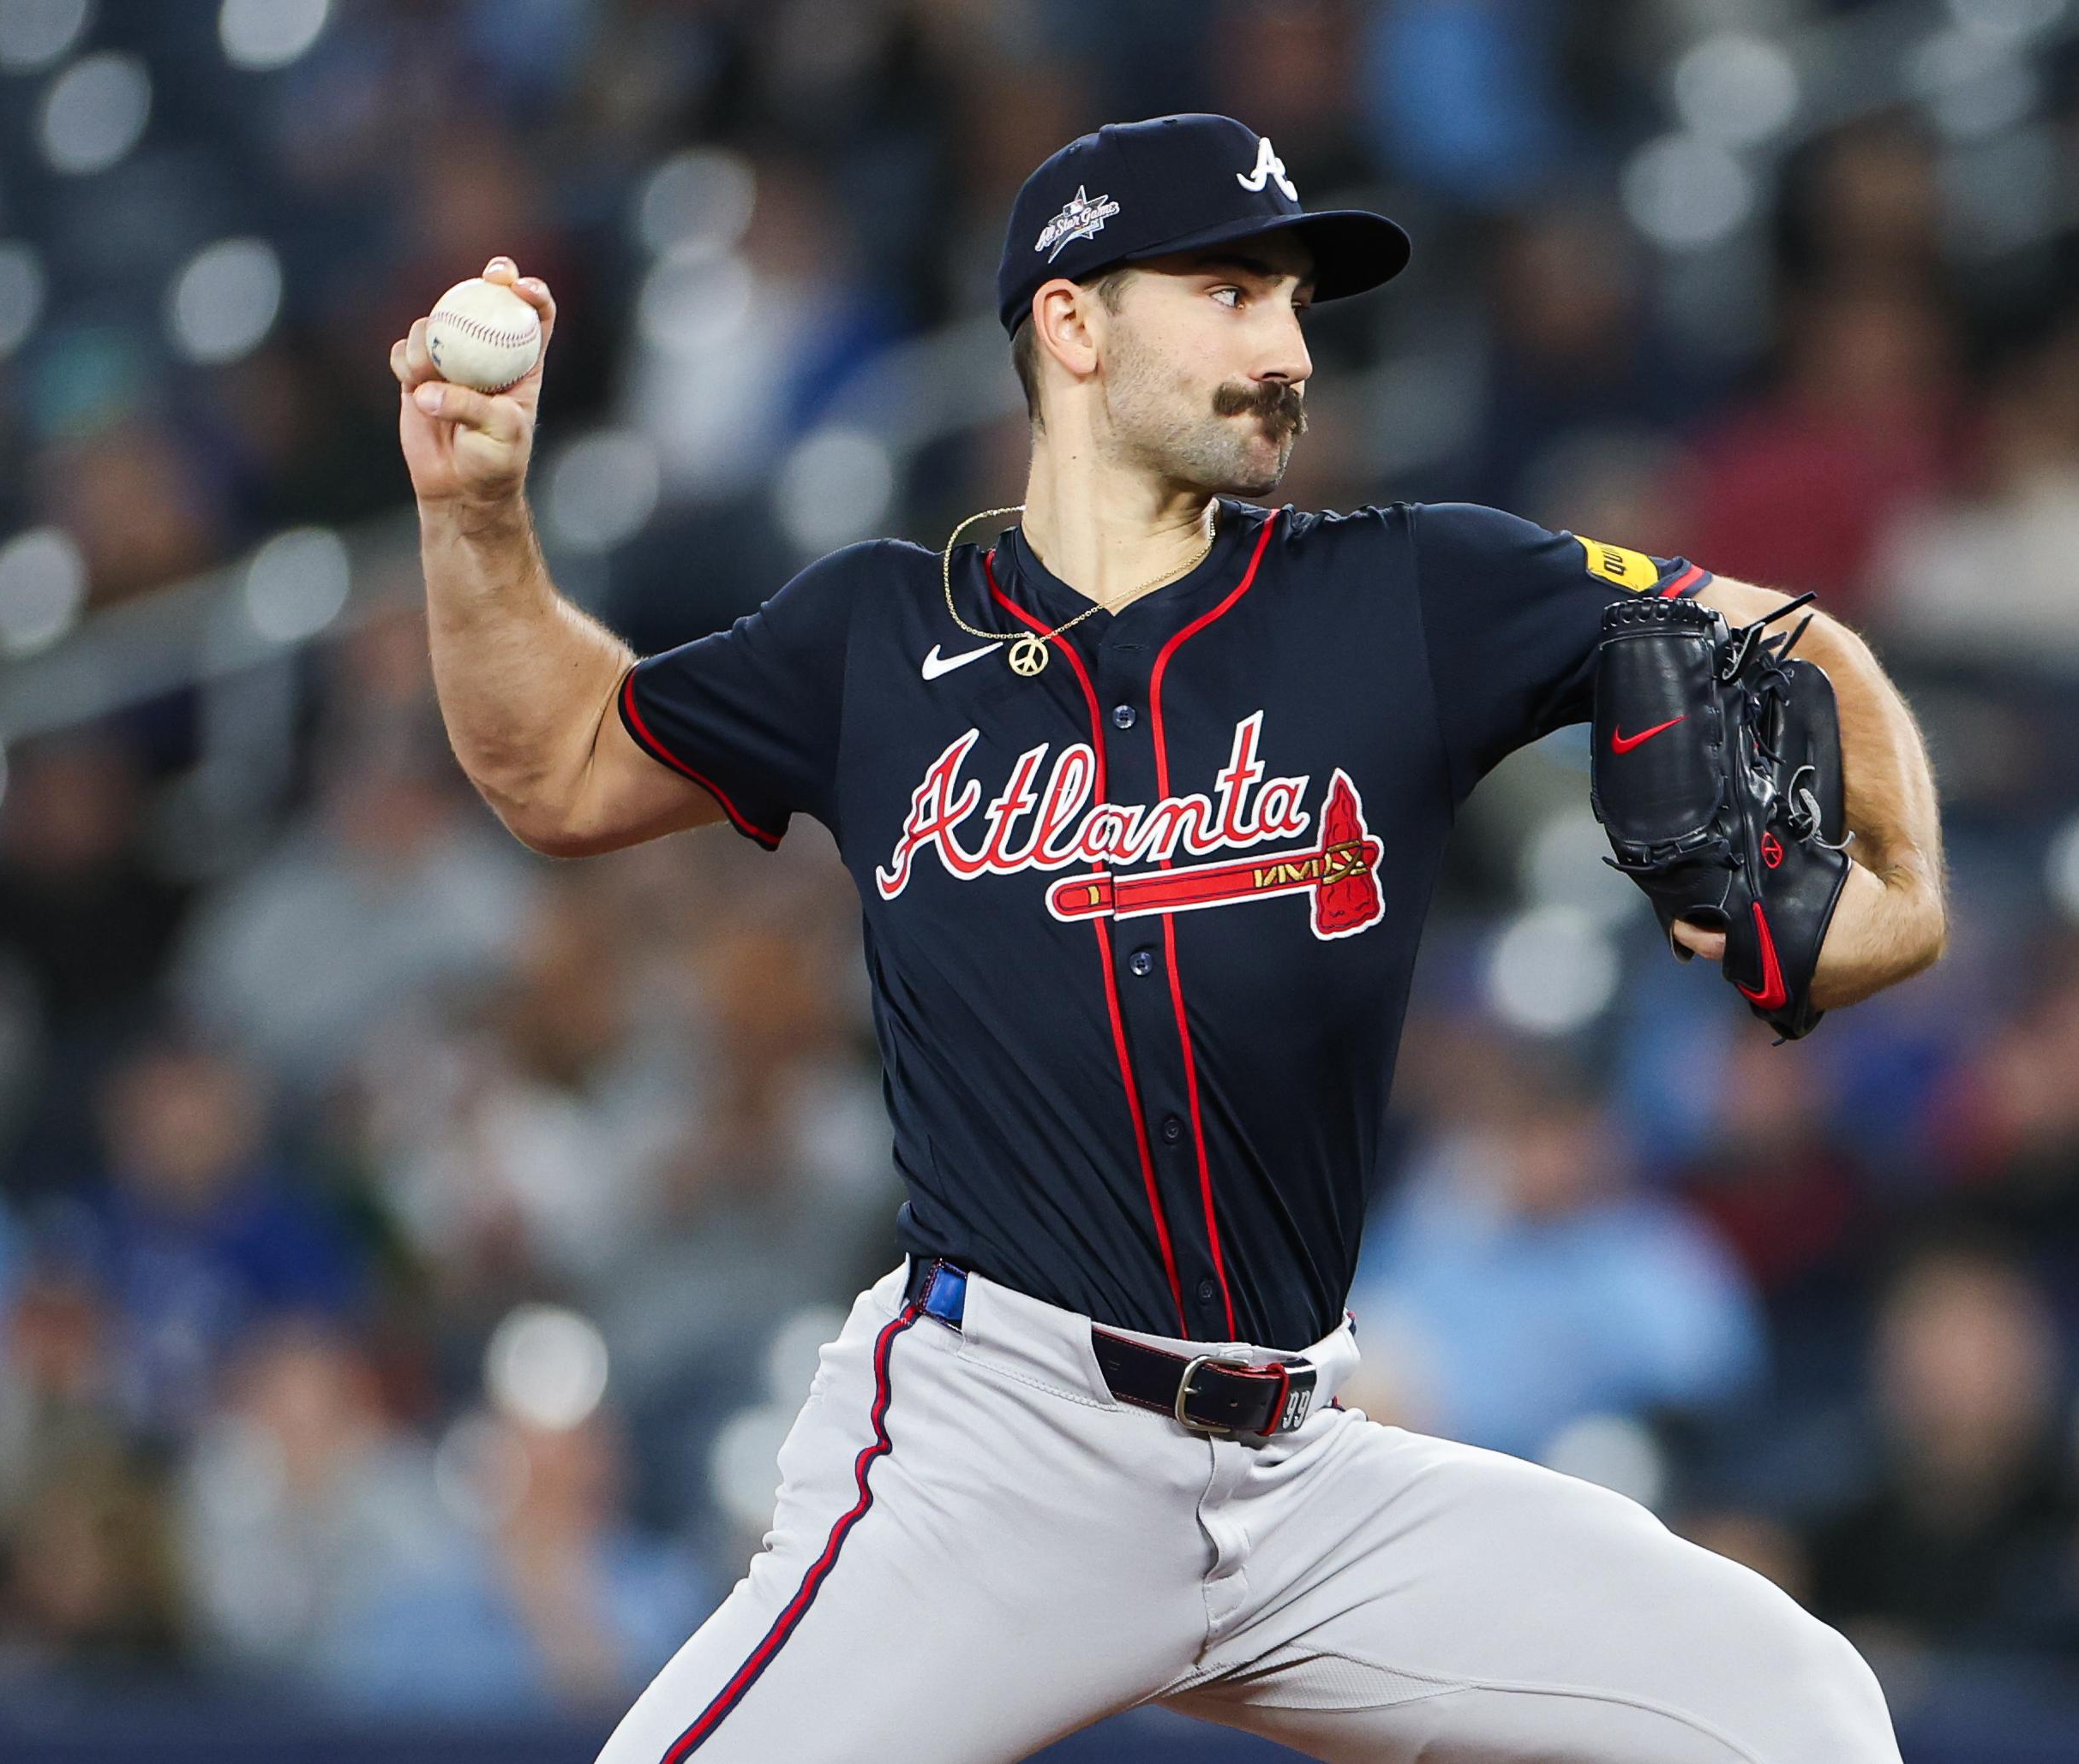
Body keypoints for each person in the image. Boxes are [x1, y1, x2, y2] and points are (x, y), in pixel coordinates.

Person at [391, 113, 1944, 1764]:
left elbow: (1790, 643)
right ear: (1073, 323)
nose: (1288, 352)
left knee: (1794, 1711)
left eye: (1292, 304)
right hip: (1000, 1459)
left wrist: (1901, 899)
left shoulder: (1411, 592)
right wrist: (477, 520)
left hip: (1306, 1467)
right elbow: (561, 766)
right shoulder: (875, 636)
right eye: (1228, 293)